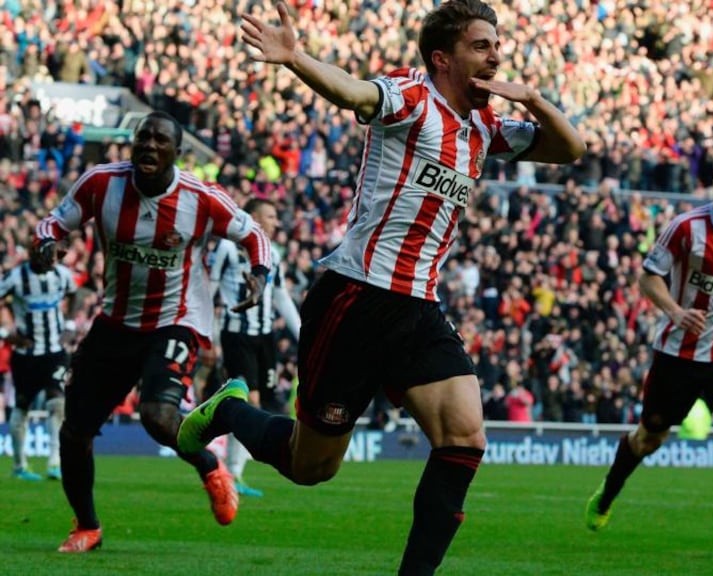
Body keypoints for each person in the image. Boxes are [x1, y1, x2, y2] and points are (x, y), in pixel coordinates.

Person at [178, 1, 584, 573]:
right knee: (311, 466)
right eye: (482, 46)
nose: (497, 56)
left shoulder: (486, 126)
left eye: (497, 45)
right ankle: (229, 410)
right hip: (356, 297)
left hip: (419, 304)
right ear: (444, 59)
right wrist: (295, 58)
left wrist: (536, 101)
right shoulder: (412, 97)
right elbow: (353, 93)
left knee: (465, 438)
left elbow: (571, 150)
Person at [35, 111, 273, 552]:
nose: (149, 146)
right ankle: (88, 526)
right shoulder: (101, 184)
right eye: (142, 137)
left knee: (157, 417)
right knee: (75, 431)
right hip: (115, 321)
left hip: (176, 319)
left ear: (177, 153)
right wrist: (45, 246)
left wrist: (259, 275)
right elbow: (52, 223)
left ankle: (210, 466)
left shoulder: (201, 198)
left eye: (160, 140)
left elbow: (255, 234)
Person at [584, 150, 713, 556]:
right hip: (676, 355)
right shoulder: (685, 228)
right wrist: (676, 312)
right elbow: (649, 277)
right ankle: (608, 494)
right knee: (649, 439)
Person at [209, 198, 300, 497]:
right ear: (255, 218)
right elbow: (209, 290)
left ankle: (232, 470)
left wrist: (302, 334)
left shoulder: (272, 254)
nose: (276, 222)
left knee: (258, 402)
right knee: (248, 402)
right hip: (237, 335)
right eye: (271, 215)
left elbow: (281, 297)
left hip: (265, 339)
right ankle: (231, 472)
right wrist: (208, 335)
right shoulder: (227, 248)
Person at [0, 247, 77, 481]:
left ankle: (55, 463)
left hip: (54, 351)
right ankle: (19, 466)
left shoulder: (61, 275)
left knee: (57, 401)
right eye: (47, 258)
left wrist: (70, 325)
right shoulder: (16, 277)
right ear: (34, 256)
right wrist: (4, 332)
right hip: (26, 354)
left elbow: (73, 294)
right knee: (22, 405)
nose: (52, 262)